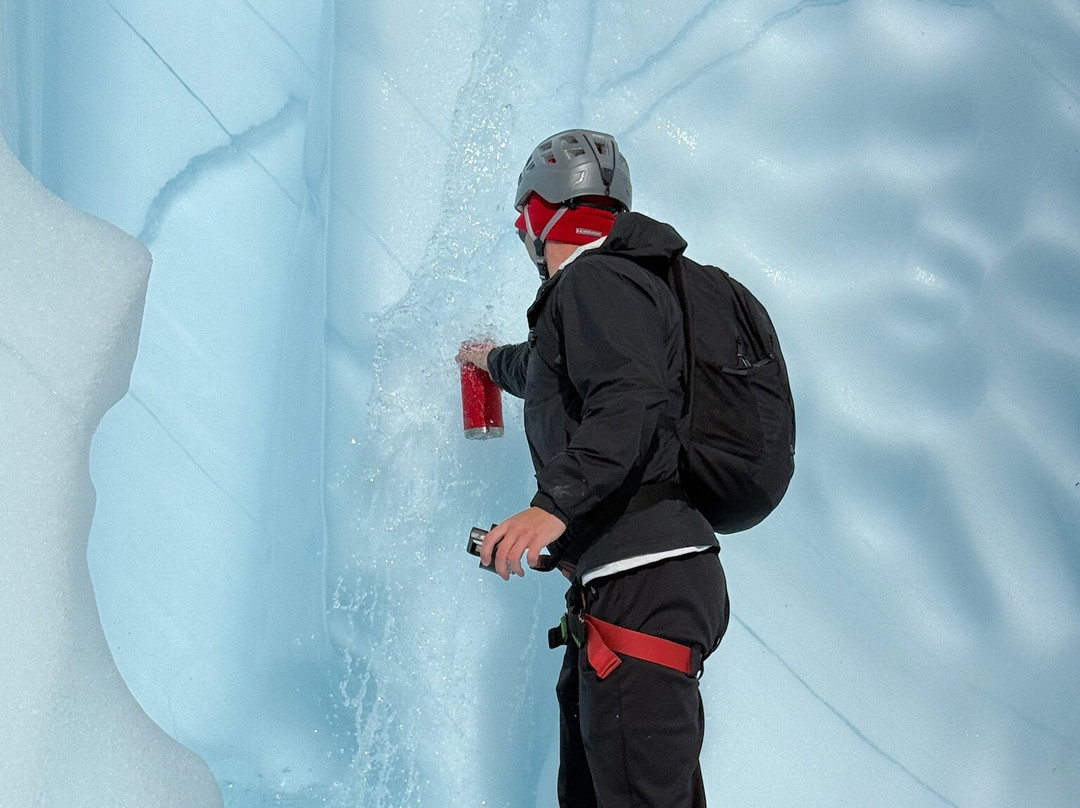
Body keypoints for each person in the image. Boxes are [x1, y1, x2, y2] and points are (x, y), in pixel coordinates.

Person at [459, 129, 730, 808]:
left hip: (644, 583)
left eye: (525, 222)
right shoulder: (607, 289)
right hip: (635, 586)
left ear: (542, 216)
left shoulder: (595, 280)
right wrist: (489, 361)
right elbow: (551, 370)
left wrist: (553, 503)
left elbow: (628, 396)